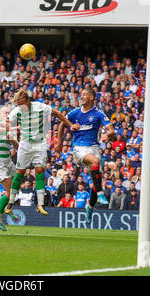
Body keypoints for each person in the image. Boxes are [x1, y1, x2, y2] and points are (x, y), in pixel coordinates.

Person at [5, 89, 75, 216]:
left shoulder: (40, 107)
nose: (20, 106)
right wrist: (11, 127)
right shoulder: (17, 111)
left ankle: (40, 204)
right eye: (18, 104)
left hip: (39, 143)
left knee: (40, 171)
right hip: (25, 144)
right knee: (20, 172)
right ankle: (11, 202)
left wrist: (70, 124)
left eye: (21, 104)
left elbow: (57, 113)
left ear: (27, 101)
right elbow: (7, 122)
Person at [57, 87, 115, 223]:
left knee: (96, 182)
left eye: (84, 94)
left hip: (94, 147)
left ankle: (90, 206)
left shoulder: (99, 114)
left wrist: (107, 135)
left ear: (91, 97)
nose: (81, 96)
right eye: (81, 94)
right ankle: (100, 195)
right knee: (95, 163)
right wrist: (59, 143)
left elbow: (112, 130)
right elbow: (61, 124)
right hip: (79, 148)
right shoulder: (74, 113)